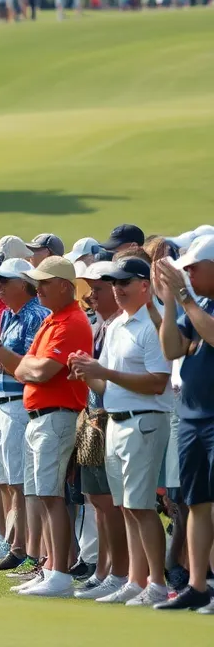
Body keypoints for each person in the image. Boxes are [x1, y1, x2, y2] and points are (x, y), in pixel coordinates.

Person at [69, 257, 172, 606]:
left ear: (145, 285)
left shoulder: (153, 325)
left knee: (140, 506)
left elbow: (157, 382)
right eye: (115, 283)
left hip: (145, 421)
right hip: (116, 420)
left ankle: (157, 583)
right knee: (127, 506)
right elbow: (106, 383)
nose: (118, 289)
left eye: (125, 282)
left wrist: (104, 373)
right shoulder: (116, 326)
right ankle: (136, 580)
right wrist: (87, 373)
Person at [9, 256, 92, 598]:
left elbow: (42, 371)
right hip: (40, 416)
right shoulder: (52, 319)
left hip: (57, 415)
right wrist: (30, 367)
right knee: (42, 494)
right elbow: (23, 368)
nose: (37, 288)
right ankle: (50, 567)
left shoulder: (72, 320)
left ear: (64, 286)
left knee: (51, 494)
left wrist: (29, 366)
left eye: (44, 282)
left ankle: (60, 572)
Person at [0, 258, 49, 573]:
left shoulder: (35, 316)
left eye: (6, 281)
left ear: (25, 284)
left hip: (20, 404)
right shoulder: (7, 315)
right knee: (7, 481)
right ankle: (16, 545)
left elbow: (24, 366)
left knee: (20, 482)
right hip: (2, 403)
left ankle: (26, 549)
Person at [155, 236, 214, 611]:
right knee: (198, 503)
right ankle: (198, 585)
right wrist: (170, 301)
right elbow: (172, 348)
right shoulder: (200, 303)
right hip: (193, 416)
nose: (187, 274)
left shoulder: (199, 305)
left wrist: (184, 297)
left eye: (193, 268)